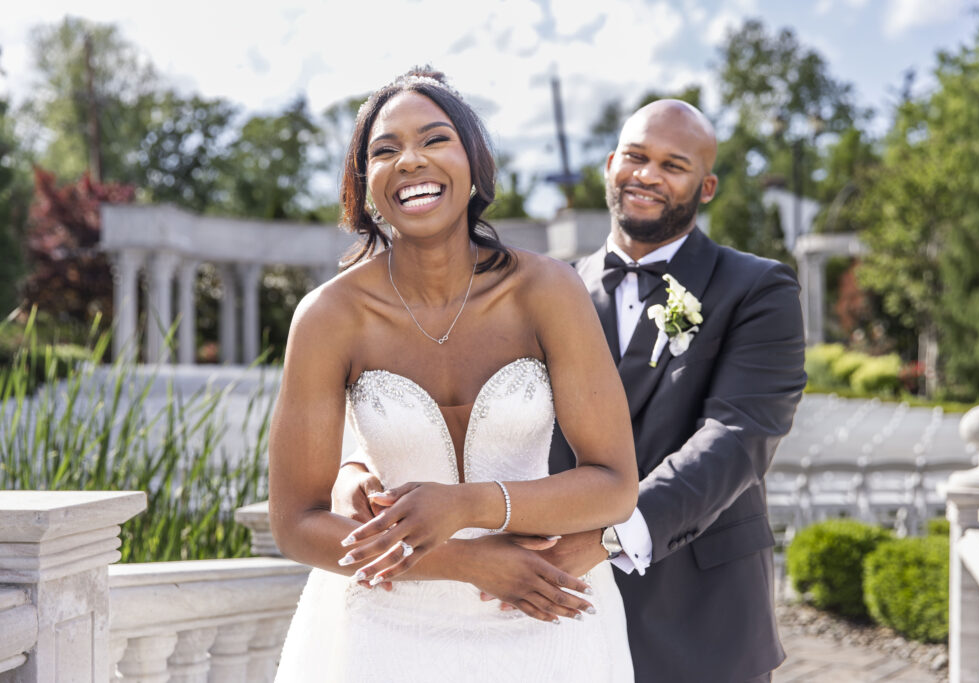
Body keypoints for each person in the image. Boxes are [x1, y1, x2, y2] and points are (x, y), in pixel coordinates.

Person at [336, 98, 807, 682]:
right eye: (635, 156)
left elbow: (738, 434)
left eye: (673, 164)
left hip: (699, 609)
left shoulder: (758, 287)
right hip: (545, 604)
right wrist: (359, 463)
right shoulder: (537, 287)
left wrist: (609, 535)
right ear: (610, 164)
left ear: (706, 186)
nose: (647, 174)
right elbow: (451, 401)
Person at [268, 68, 639, 682]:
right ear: (364, 187)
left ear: (475, 165)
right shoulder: (328, 318)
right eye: (385, 150)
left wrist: (470, 504)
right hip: (385, 630)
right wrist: (465, 562)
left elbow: (614, 484)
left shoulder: (547, 289)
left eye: (435, 139)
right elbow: (297, 523)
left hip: (547, 612)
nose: (410, 160)